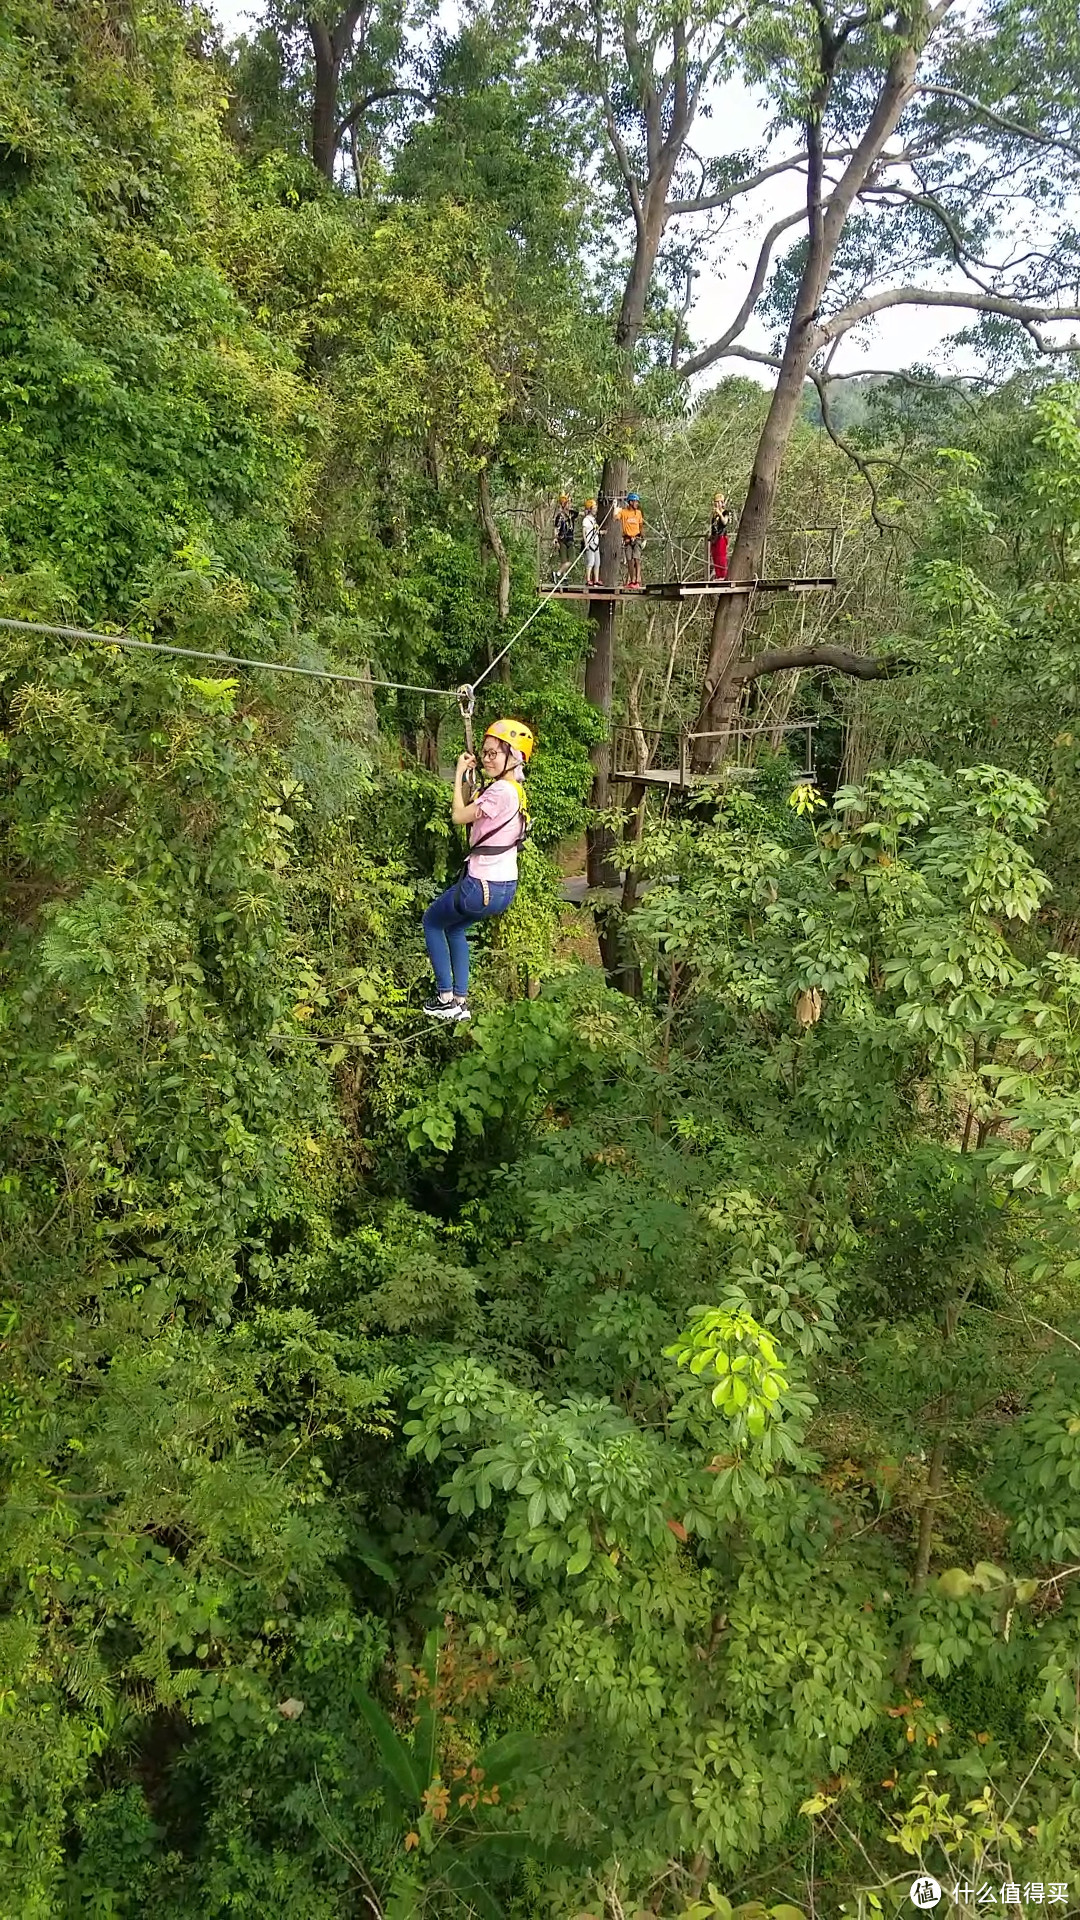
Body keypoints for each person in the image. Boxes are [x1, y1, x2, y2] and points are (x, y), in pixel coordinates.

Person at [421, 719, 534, 1022]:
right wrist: (473, 779)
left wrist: (458, 774)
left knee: (432, 921)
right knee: (455, 928)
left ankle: (445, 997)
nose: (487, 759)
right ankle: (460, 1000)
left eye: (494, 753)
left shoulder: (501, 792)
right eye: (485, 753)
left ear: (514, 756)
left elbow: (459, 815)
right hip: (503, 889)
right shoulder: (515, 791)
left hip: (480, 887)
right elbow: (477, 810)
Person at [615, 492, 645, 588]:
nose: (637, 504)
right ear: (631, 502)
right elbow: (615, 518)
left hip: (636, 538)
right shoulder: (624, 512)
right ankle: (632, 580)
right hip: (627, 539)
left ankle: (637, 579)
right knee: (629, 560)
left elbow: (641, 526)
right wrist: (615, 509)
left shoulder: (638, 513)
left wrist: (643, 537)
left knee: (637, 558)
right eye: (636, 502)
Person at [553, 495, 578, 575]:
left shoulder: (572, 514)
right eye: (568, 503)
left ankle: (558, 573)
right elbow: (556, 528)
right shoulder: (560, 516)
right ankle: (563, 577)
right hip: (562, 540)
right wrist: (555, 540)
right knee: (564, 560)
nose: (570, 505)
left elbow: (580, 513)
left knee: (572, 559)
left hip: (570, 539)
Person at [709, 493, 730, 581]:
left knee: (721, 557)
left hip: (721, 536)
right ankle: (718, 575)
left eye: (719, 502)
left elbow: (725, 522)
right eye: (715, 502)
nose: (717, 504)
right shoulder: (714, 515)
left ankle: (723, 575)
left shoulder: (725, 512)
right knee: (715, 556)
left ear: (722, 503)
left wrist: (720, 514)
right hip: (715, 538)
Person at [582, 497, 602, 587]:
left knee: (597, 562)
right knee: (591, 562)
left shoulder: (594, 520)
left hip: (596, 542)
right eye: (594, 508)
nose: (595, 510)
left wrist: (602, 532)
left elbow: (595, 531)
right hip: (590, 543)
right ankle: (588, 579)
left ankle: (596, 580)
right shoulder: (586, 519)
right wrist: (586, 543)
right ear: (590, 509)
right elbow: (584, 531)